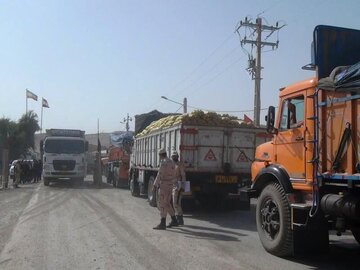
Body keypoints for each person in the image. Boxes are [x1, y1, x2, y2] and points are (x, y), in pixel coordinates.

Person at [152, 148, 178, 230]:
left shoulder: (164, 163)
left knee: (163, 204)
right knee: (167, 203)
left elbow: (159, 174)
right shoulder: (172, 162)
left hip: (164, 185)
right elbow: (175, 174)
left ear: (161, 155)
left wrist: (155, 185)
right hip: (170, 184)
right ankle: (174, 220)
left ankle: (162, 223)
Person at [171, 151, 186, 226]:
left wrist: (183, 186)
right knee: (175, 203)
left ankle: (180, 218)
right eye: (173, 156)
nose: (174, 157)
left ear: (177, 157)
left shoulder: (180, 165)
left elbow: (183, 175)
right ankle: (178, 218)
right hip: (173, 185)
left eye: (175, 156)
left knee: (176, 202)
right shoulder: (171, 164)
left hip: (178, 185)